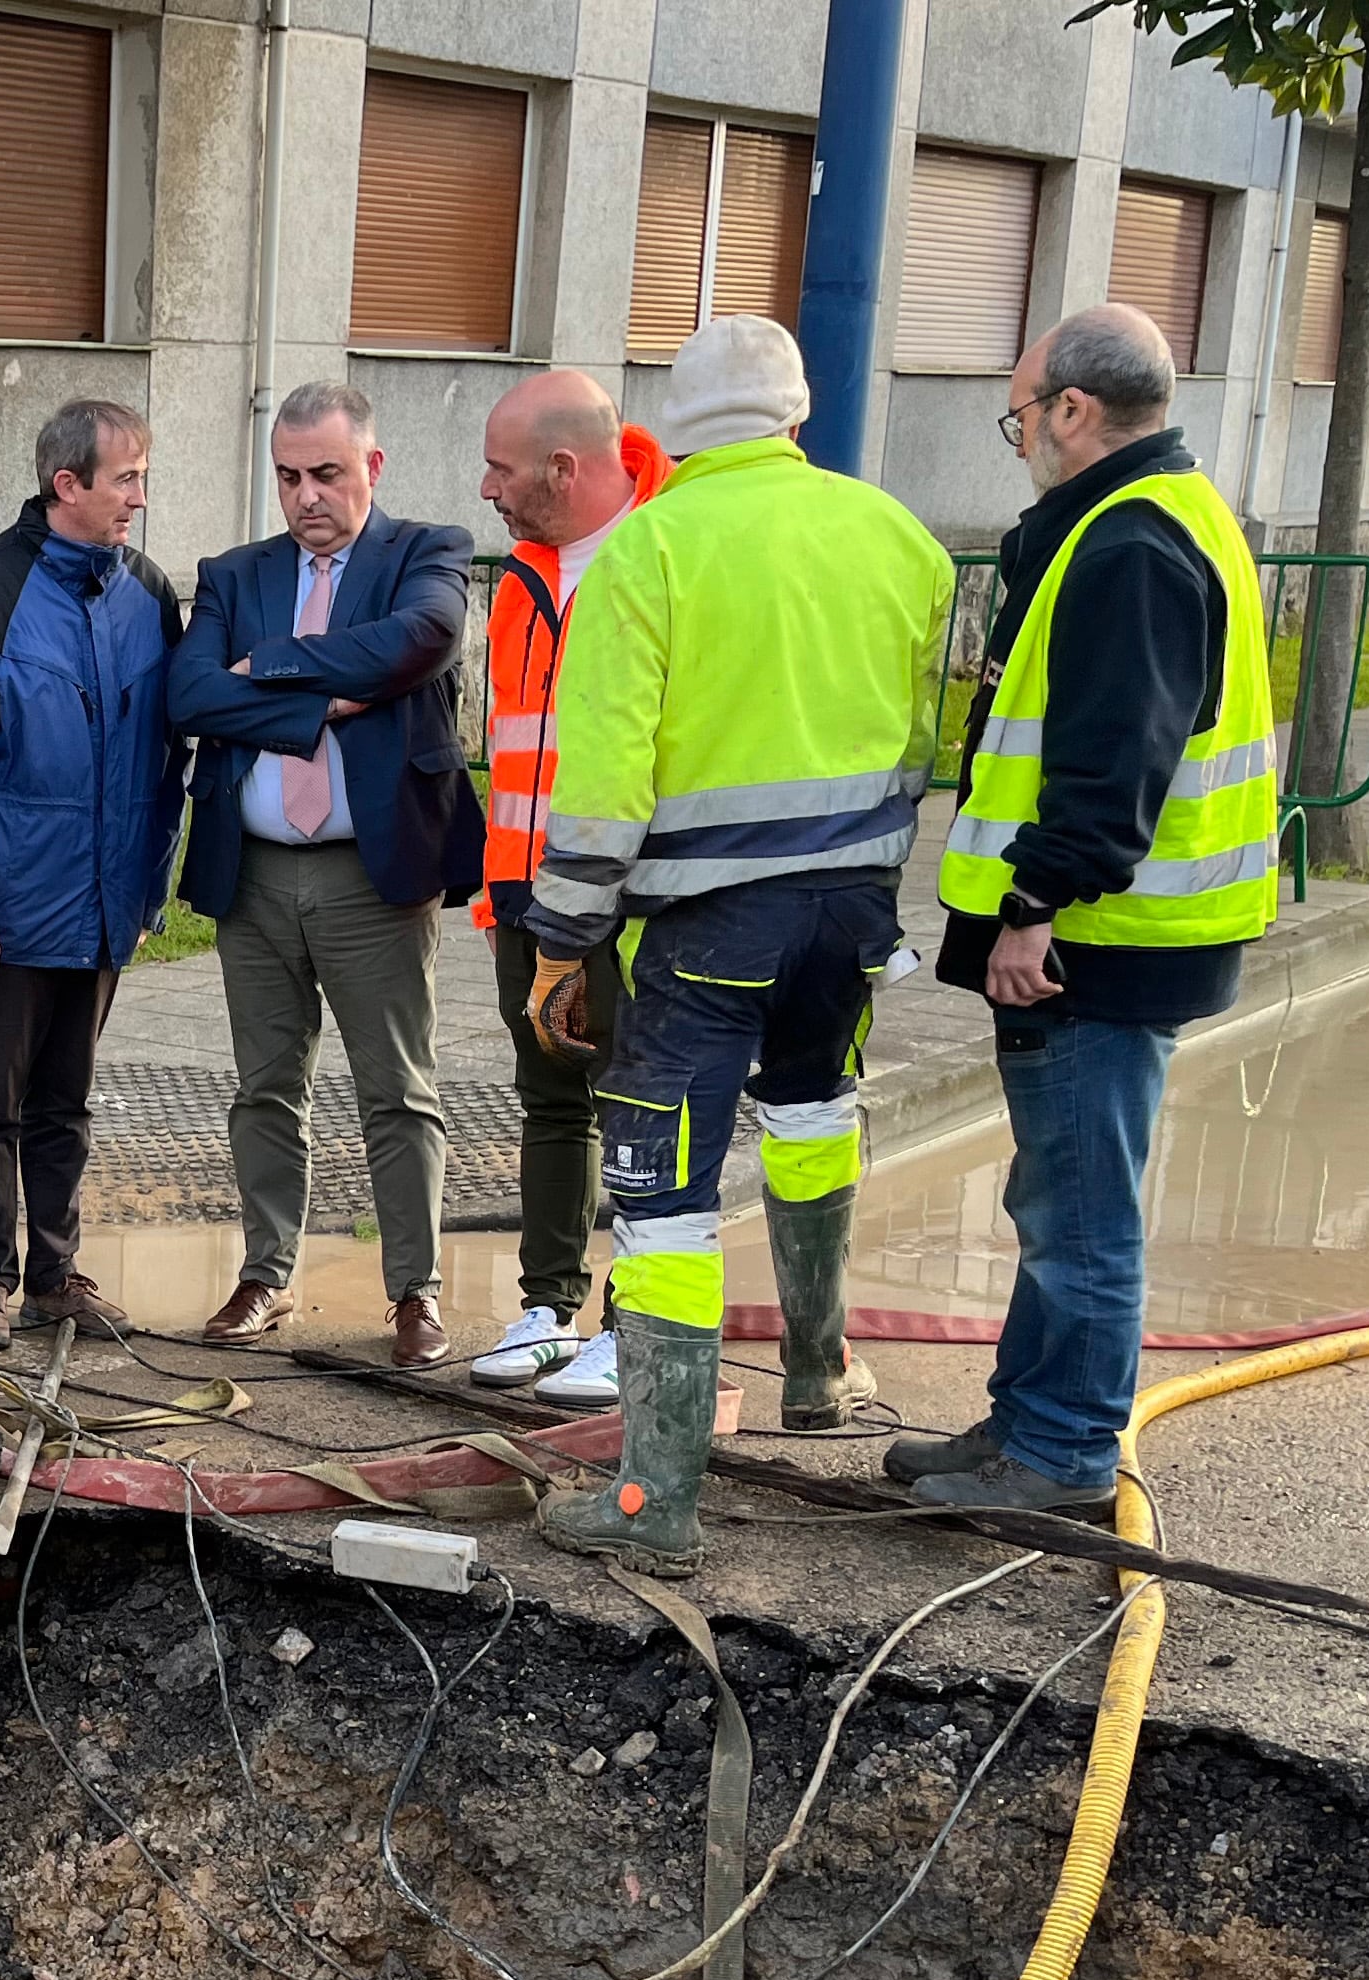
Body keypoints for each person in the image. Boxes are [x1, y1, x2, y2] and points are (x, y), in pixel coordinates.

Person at [522, 316, 957, 1576]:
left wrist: (564, 941)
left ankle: (656, 1502)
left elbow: (601, 784)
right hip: (854, 908)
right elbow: (924, 722)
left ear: (678, 425)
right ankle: (819, 1372)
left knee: (662, 1188)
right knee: (816, 1109)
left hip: (712, 924)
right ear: (795, 416)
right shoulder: (899, 537)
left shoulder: (651, 550)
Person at [905, 305, 1278, 1516]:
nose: (1019, 439)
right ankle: (1026, 1414)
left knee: (1079, 1206)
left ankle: (1060, 1449)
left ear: (1073, 408)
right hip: (1122, 936)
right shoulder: (1167, 514)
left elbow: (1114, 760)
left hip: (1095, 945)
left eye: (1021, 415)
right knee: (1058, 1190)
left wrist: (1032, 906)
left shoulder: (1127, 541)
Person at [165, 383, 485, 1356]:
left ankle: (414, 1293)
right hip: (255, 873)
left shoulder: (426, 552)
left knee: (397, 1088)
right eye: (288, 476)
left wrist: (269, 669)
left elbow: (421, 642)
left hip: (371, 876)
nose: (306, 495)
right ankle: (264, 1276)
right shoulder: (234, 573)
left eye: (328, 474)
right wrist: (324, 701)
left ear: (372, 467)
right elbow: (190, 693)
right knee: (266, 1086)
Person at [0, 397, 189, 1348]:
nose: (139, 496)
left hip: (105, 905)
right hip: (11, 908)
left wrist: (146, 889)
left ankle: (55, 1275)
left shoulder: (148, 594)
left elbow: (163, 757)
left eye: (142, 476)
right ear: (69, 485)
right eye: (127, 478)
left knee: (69, 1100)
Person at [468, 369, 672, 1412]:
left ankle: (633, 1318)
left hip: (636, 897)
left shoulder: (663, 553)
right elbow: (519, 755)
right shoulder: (520, 577)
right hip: (532, 889)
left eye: (502, 469)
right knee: (550, 1098)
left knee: (641, 1102)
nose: (488, 489)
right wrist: (507, 891)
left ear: (562, 466)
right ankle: (549, 1305)